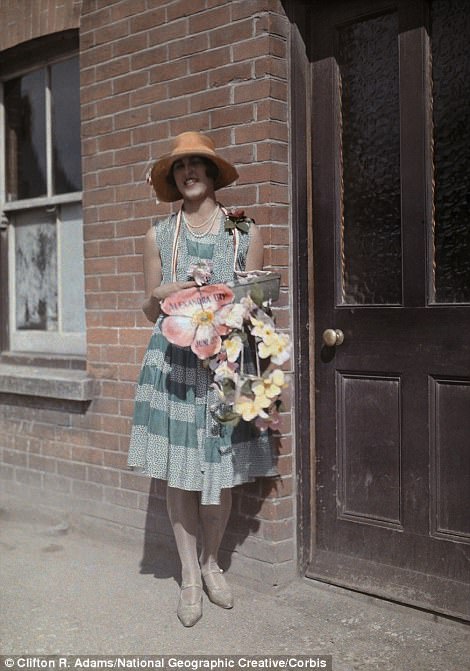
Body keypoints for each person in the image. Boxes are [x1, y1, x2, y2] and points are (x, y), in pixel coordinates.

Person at [127, 131, 277, 627]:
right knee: (179, 474)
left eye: (198, 165)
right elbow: (149, 306)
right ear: (173, 180)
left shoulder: (244, 232)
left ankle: (212, 562)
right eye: (180, 167)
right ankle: (189, 575)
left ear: (213, 174)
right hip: (172, 365)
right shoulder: (157, 235)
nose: (189, 172)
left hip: (225, 364)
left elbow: (255, 304)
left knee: (220, 470)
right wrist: (164, 291)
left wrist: (240, 306)